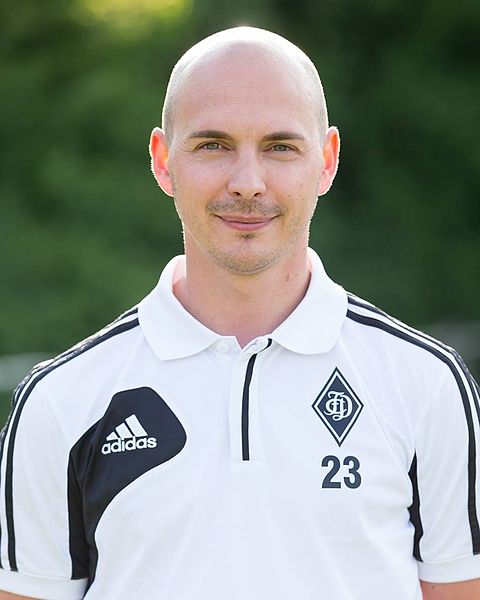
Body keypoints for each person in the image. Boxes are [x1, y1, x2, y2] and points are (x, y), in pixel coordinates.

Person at [0, 26, 479, 600]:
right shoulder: (60, 402)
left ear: (326, 161)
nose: (248, 183)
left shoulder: (427, 385)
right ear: (163, 161)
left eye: (280, 147)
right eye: (213, 145)